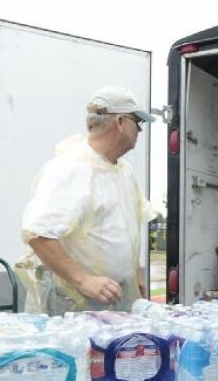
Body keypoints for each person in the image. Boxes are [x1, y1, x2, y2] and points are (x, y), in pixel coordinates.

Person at [18, 86, 155, 314]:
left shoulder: (123, 172)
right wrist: (83, 280)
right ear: (120, 122)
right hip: (73, 300)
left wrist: (136, 271)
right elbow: (38, 234)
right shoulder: (71, 168)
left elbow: (126, 228)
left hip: (110, 295)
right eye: (137, 122)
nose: (140, 130)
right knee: (77, 350)